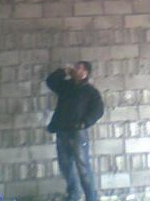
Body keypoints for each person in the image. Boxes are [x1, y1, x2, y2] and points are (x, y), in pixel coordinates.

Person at [45, 61, 104, 201]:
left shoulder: (90, 91)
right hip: (62, 131)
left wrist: (85, 123)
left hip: (78, 133)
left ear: (85, 73)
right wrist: (63, 71)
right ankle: (74, 195)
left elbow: (98, 110)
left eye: (78, 68)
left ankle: (91, 197)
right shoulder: (66, 86)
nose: (75, 69)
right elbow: (50, 82)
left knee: (82, 167)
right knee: (65, 166)